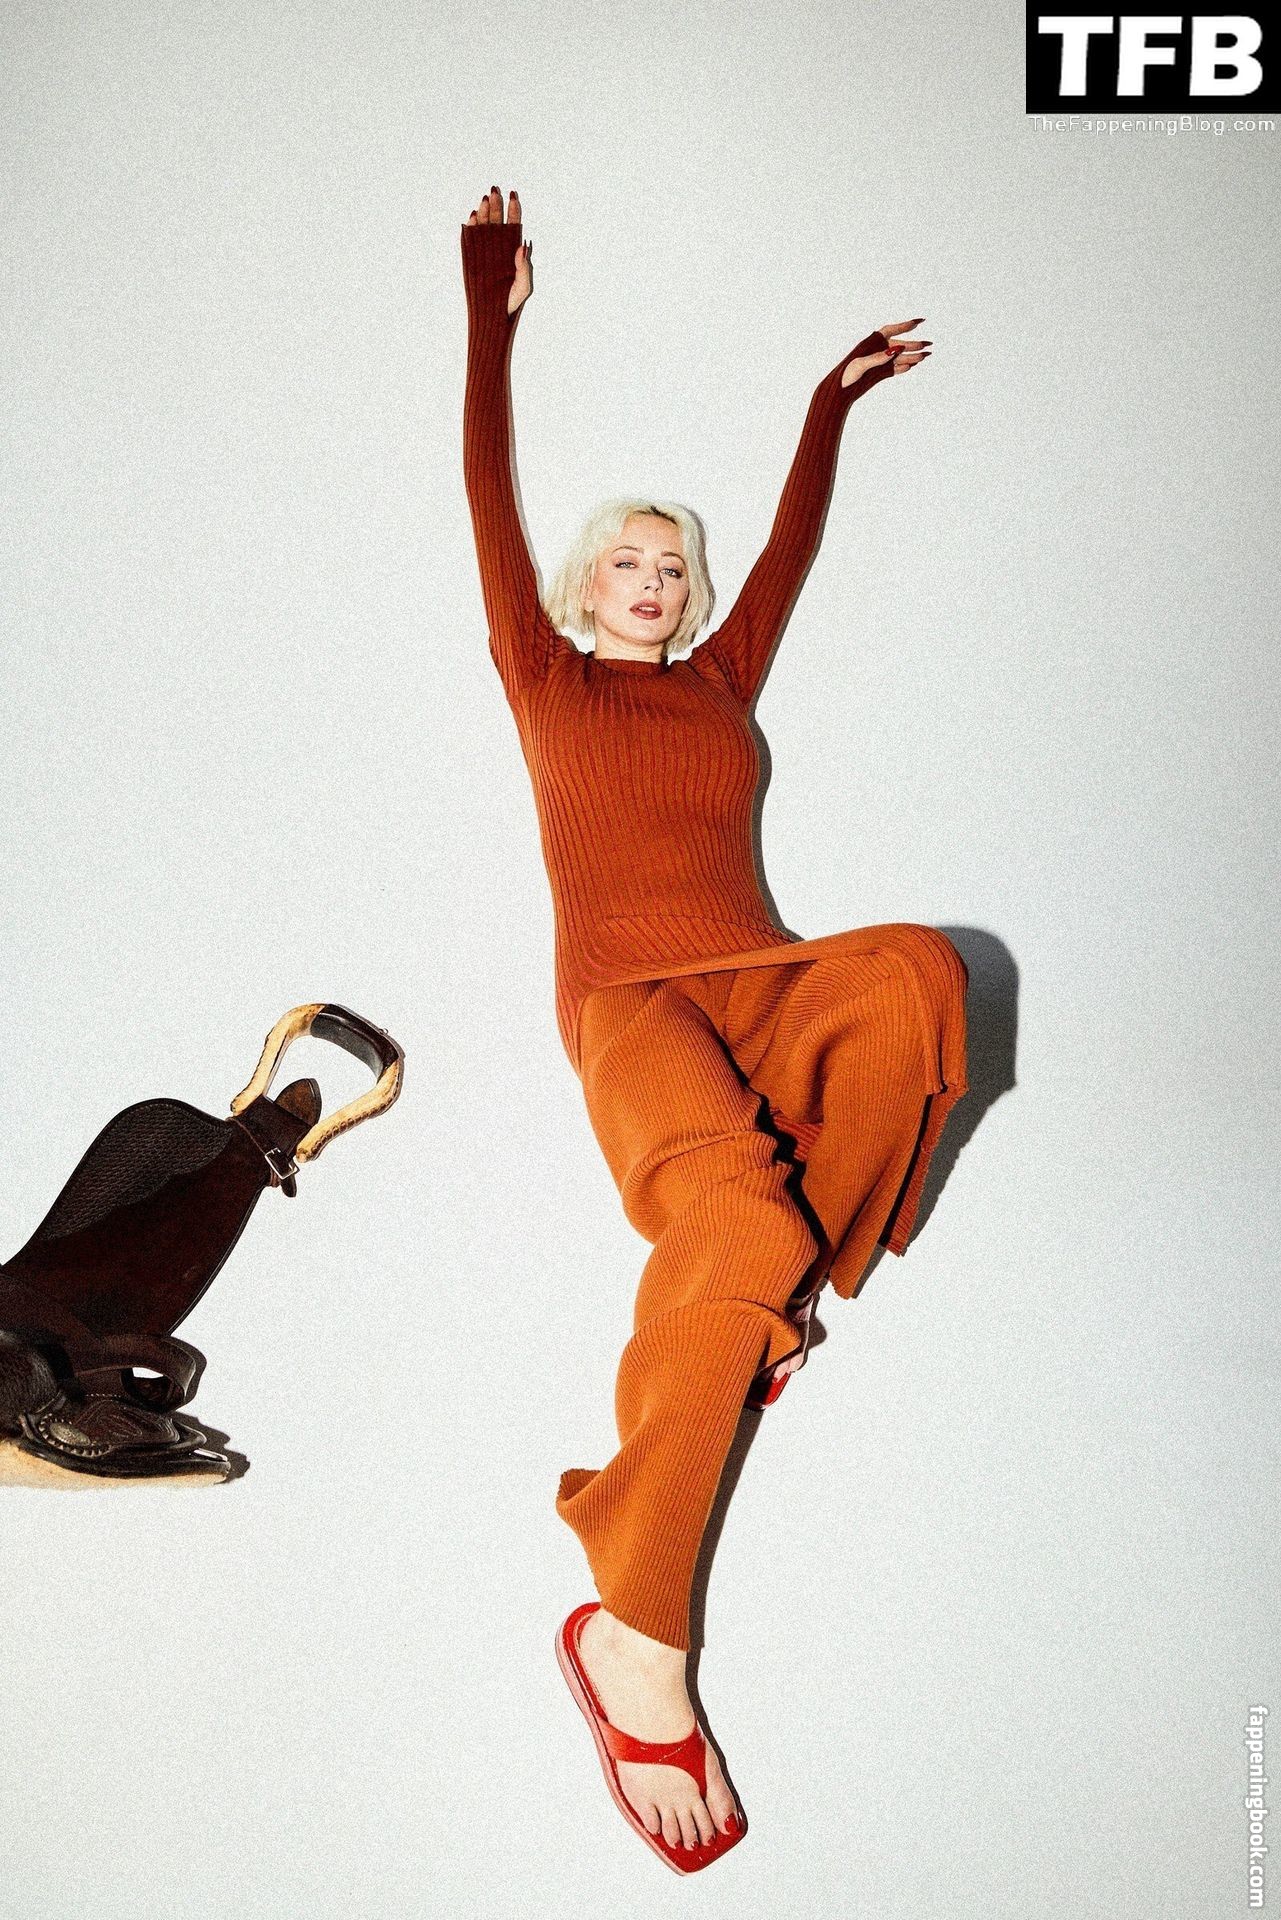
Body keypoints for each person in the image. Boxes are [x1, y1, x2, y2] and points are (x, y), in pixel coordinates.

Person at [460, 183, 968, 1873]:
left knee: (912, 977)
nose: (653, 577)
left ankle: (776, 1290)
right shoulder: (544, 675)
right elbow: (483, 485)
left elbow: (790, 549)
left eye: (672, 565)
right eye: (626, 557)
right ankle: (635, 1631)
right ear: (580, 583)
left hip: (757, 975)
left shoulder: (720, 679)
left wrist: (826, 406)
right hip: (628, 1002)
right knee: (732, 1229)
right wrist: (489, 321)